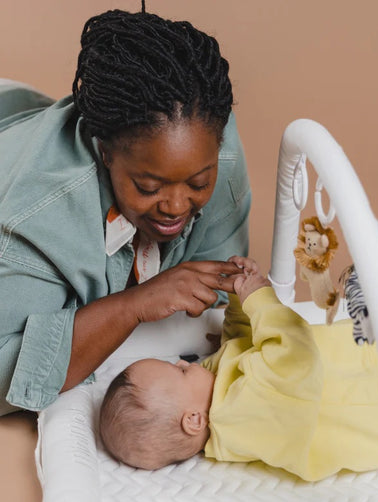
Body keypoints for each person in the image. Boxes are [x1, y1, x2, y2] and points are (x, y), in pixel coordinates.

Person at [0, 7, 251, 415]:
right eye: (149, 187)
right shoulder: (34, 216)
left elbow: (220, 299)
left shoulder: (214, 145)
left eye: (198, 183)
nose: (174, 205)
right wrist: (133, 305)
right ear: (104, 152)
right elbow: (7, 381)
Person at [100, 256, 378, 482]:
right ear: (193, 420)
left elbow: (242, 344)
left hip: (367, 361)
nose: (181, 362)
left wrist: (240, 297)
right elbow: (295, 359)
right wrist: (260, 300)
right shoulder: (240, 415)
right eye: (178, 372)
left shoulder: (214, 388)